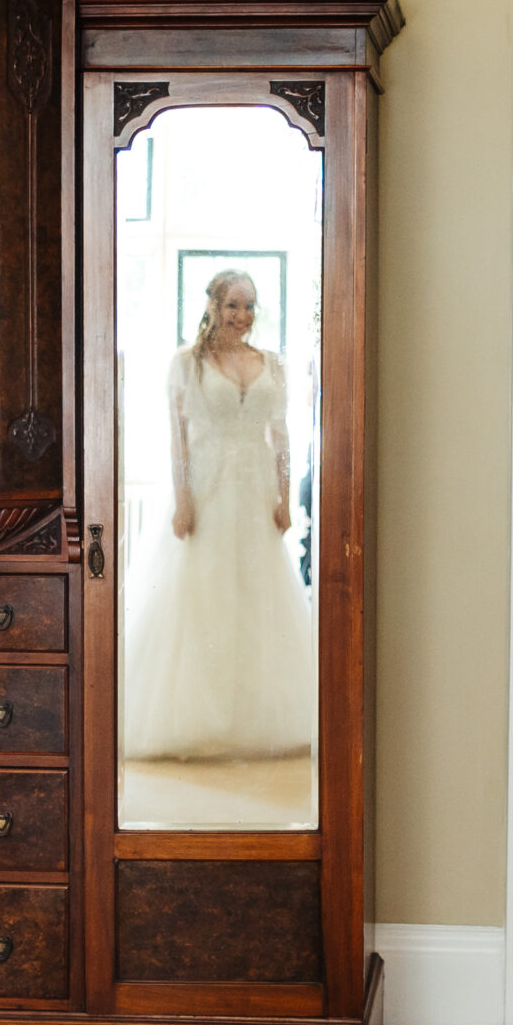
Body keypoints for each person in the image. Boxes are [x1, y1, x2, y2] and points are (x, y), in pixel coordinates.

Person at [121, 271, 316, 761]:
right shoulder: (187, 364)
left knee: (257, 595)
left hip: (256, 494)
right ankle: (197, 719)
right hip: (207, 491)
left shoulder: (272, 364)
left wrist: (284, 495)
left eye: (250, 306)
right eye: (233, 305)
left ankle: (256, 718)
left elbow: (282, 435)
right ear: (212, 305)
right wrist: (183, 498)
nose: (242, 316)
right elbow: (177, 438)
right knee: (205, 595)